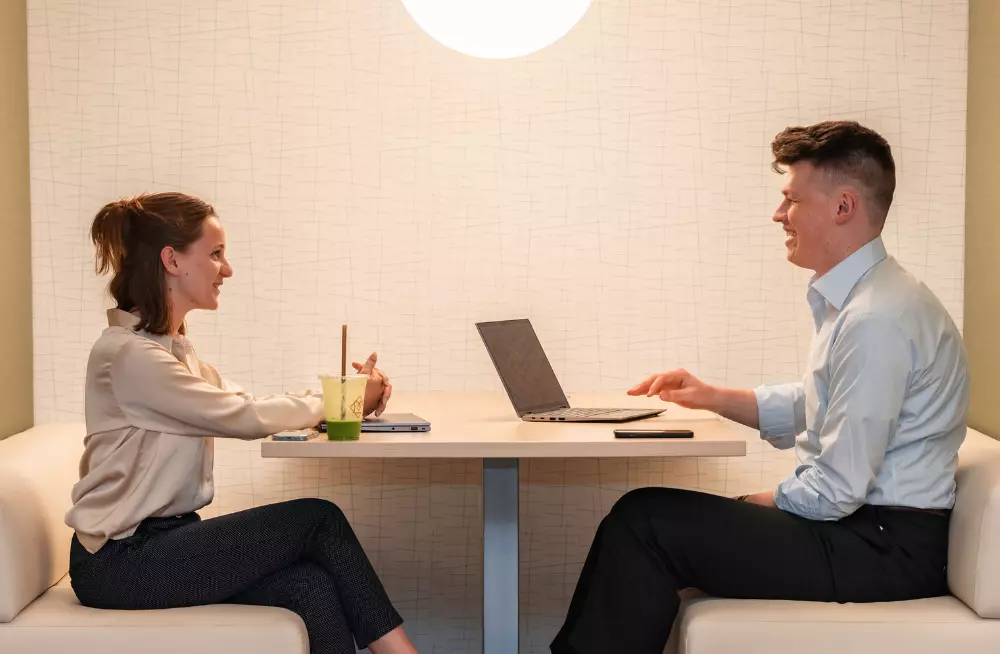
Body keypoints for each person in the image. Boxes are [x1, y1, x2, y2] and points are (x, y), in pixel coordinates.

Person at [551, 121, 970, 654]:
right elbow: (823, 402)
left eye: (791, 201)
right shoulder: (872, 301)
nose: (778, 216)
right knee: (645, 519)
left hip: (881, 548)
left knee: (647, 523)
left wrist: (752, 502)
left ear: (843, 207)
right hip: (874, 535)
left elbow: (836, 491)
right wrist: (710, 396)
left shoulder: (876, 319)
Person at [66, 192, 418, 654]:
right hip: (119, 562)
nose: (226, 269)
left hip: (163, 542)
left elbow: (247, 402)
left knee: (308, 586)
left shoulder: (171, 350)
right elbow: (245, 417)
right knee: (318, 519)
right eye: (215, 254)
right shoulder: (129, 357)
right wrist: (345, 399)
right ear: (171, 260)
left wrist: (346, 398)